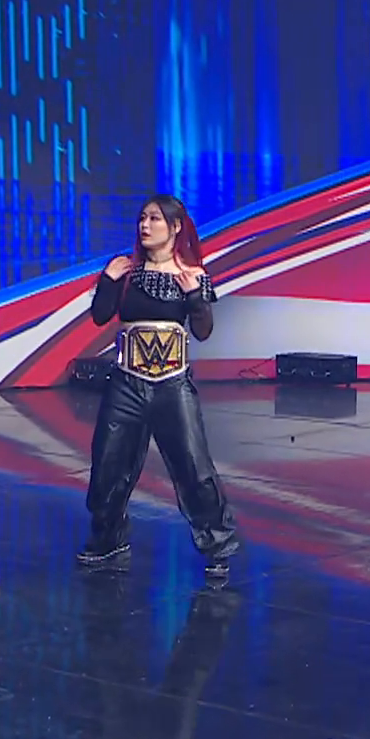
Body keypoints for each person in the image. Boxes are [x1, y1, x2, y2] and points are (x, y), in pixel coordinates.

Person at [77, 196, 240, 580]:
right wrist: (108, 281)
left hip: (172, 384)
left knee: (193, 466)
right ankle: (108, 540)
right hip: (126, 383)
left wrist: (194, 295)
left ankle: (218, 547)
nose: (145, 226)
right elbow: (100, 316)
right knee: (109, 465)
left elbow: (203, 331)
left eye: (154, 219)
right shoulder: (127, 272)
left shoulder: (192, 274)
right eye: (142, 218)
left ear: (175, 226)